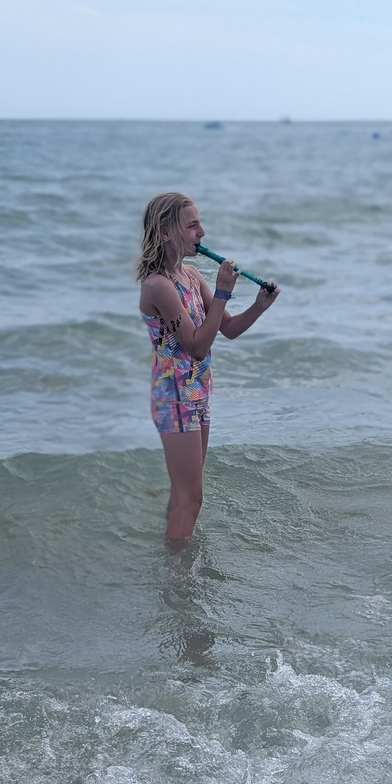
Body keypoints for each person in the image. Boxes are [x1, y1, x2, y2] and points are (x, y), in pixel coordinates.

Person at [137, 192, 280, 543]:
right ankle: (176, 567)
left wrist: (259, 306)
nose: (202, 232)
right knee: (191, 499)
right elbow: (197, 346)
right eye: (192, 226)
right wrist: (223, 292)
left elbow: (226, 328)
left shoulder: (189, 275)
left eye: (199, 224)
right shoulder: (158, 286)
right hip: (175, 399)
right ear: (166, 232)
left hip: (197, 393)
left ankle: (170, 560)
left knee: (185, 495)